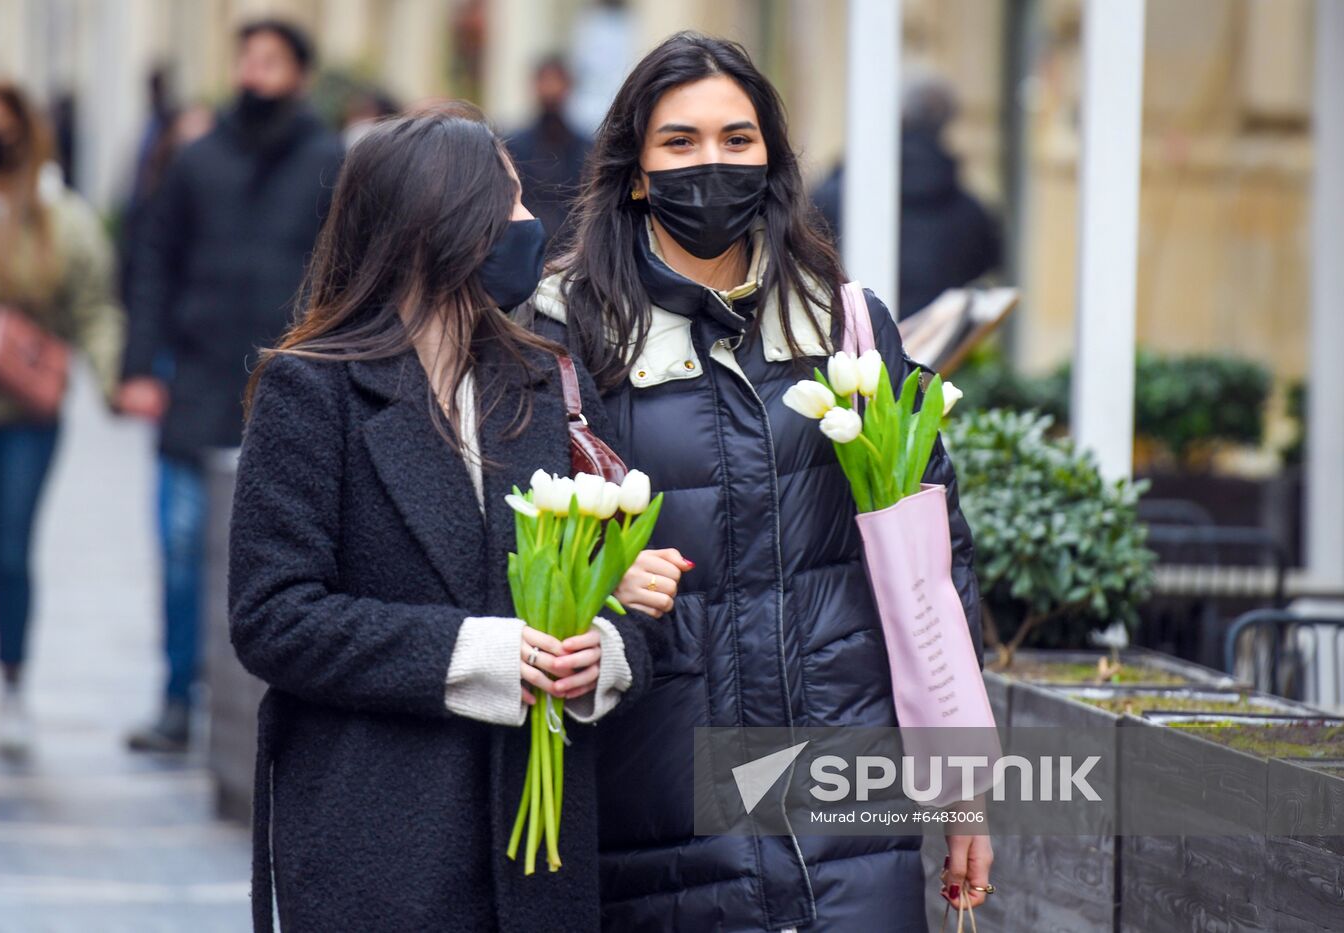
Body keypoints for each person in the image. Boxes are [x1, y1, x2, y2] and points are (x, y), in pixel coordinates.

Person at [527, 33, 993, 930]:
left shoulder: (846, 325)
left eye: (738, 140)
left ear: (772, 158)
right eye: (681, 142)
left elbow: (937, 565)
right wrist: (600, 575)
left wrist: (964, 782)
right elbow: (510, 538)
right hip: (660, 805)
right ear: (634, 169)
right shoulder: (563, 331)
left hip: (848, 809)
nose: (713, 163)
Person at [228, 102, 663, 932]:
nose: (531, 222)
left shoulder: (548, 378)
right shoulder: (311, 390)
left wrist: (604, 653)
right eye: (509, 200)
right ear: (443, 222)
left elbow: (625, 583)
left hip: (538, 853)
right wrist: (482, 653)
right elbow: (272, 615)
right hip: (377, 841)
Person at [119, 18, 343, 752]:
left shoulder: (327, 161)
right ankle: (176, 698)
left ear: (300, 75)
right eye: (248, 58)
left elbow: (344, 274)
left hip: (295, 394)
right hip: (199, 386)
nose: (255, 73)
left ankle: (264, 711)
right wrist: (139, 366)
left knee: (287, 565)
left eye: (272, 60)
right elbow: (151, 263)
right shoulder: (197, 160)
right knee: (182, 549)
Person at [0, 80, 124, 764]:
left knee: (12, 553)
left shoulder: (60, 218)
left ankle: (13, 683)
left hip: (27, 410)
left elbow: (94, 308)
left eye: (1, 127)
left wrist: (112, 379)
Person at [812, 73, 1002, 320]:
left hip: (852, 339)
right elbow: (988, 263)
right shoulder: (970, 210)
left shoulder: (839, 192)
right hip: (934, 345)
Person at [505, 55, 593, 248]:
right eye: (545, 81)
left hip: (571, 248)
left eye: (557, 81)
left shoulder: (586, 148)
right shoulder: (514, 145)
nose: (551, 89)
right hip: (523, 245)